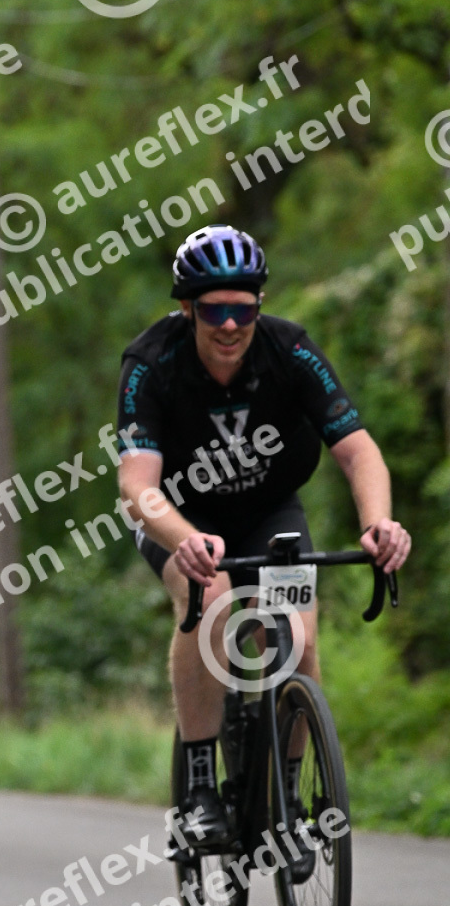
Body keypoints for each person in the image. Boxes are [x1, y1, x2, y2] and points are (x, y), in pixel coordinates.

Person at [115, 224, 410, 850]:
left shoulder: (290, 350)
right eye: (213, 310)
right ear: (187, 309)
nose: (230, 325)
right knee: (213, 602)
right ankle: (200, 790)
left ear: (259, 306)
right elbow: (137, 485)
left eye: (243, 310)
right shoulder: (151, 363)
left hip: (269, 509)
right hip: (178, 514)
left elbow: (359, 452)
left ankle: (290, 796)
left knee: (296, 642)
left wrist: (378, 523)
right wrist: (186, 538)